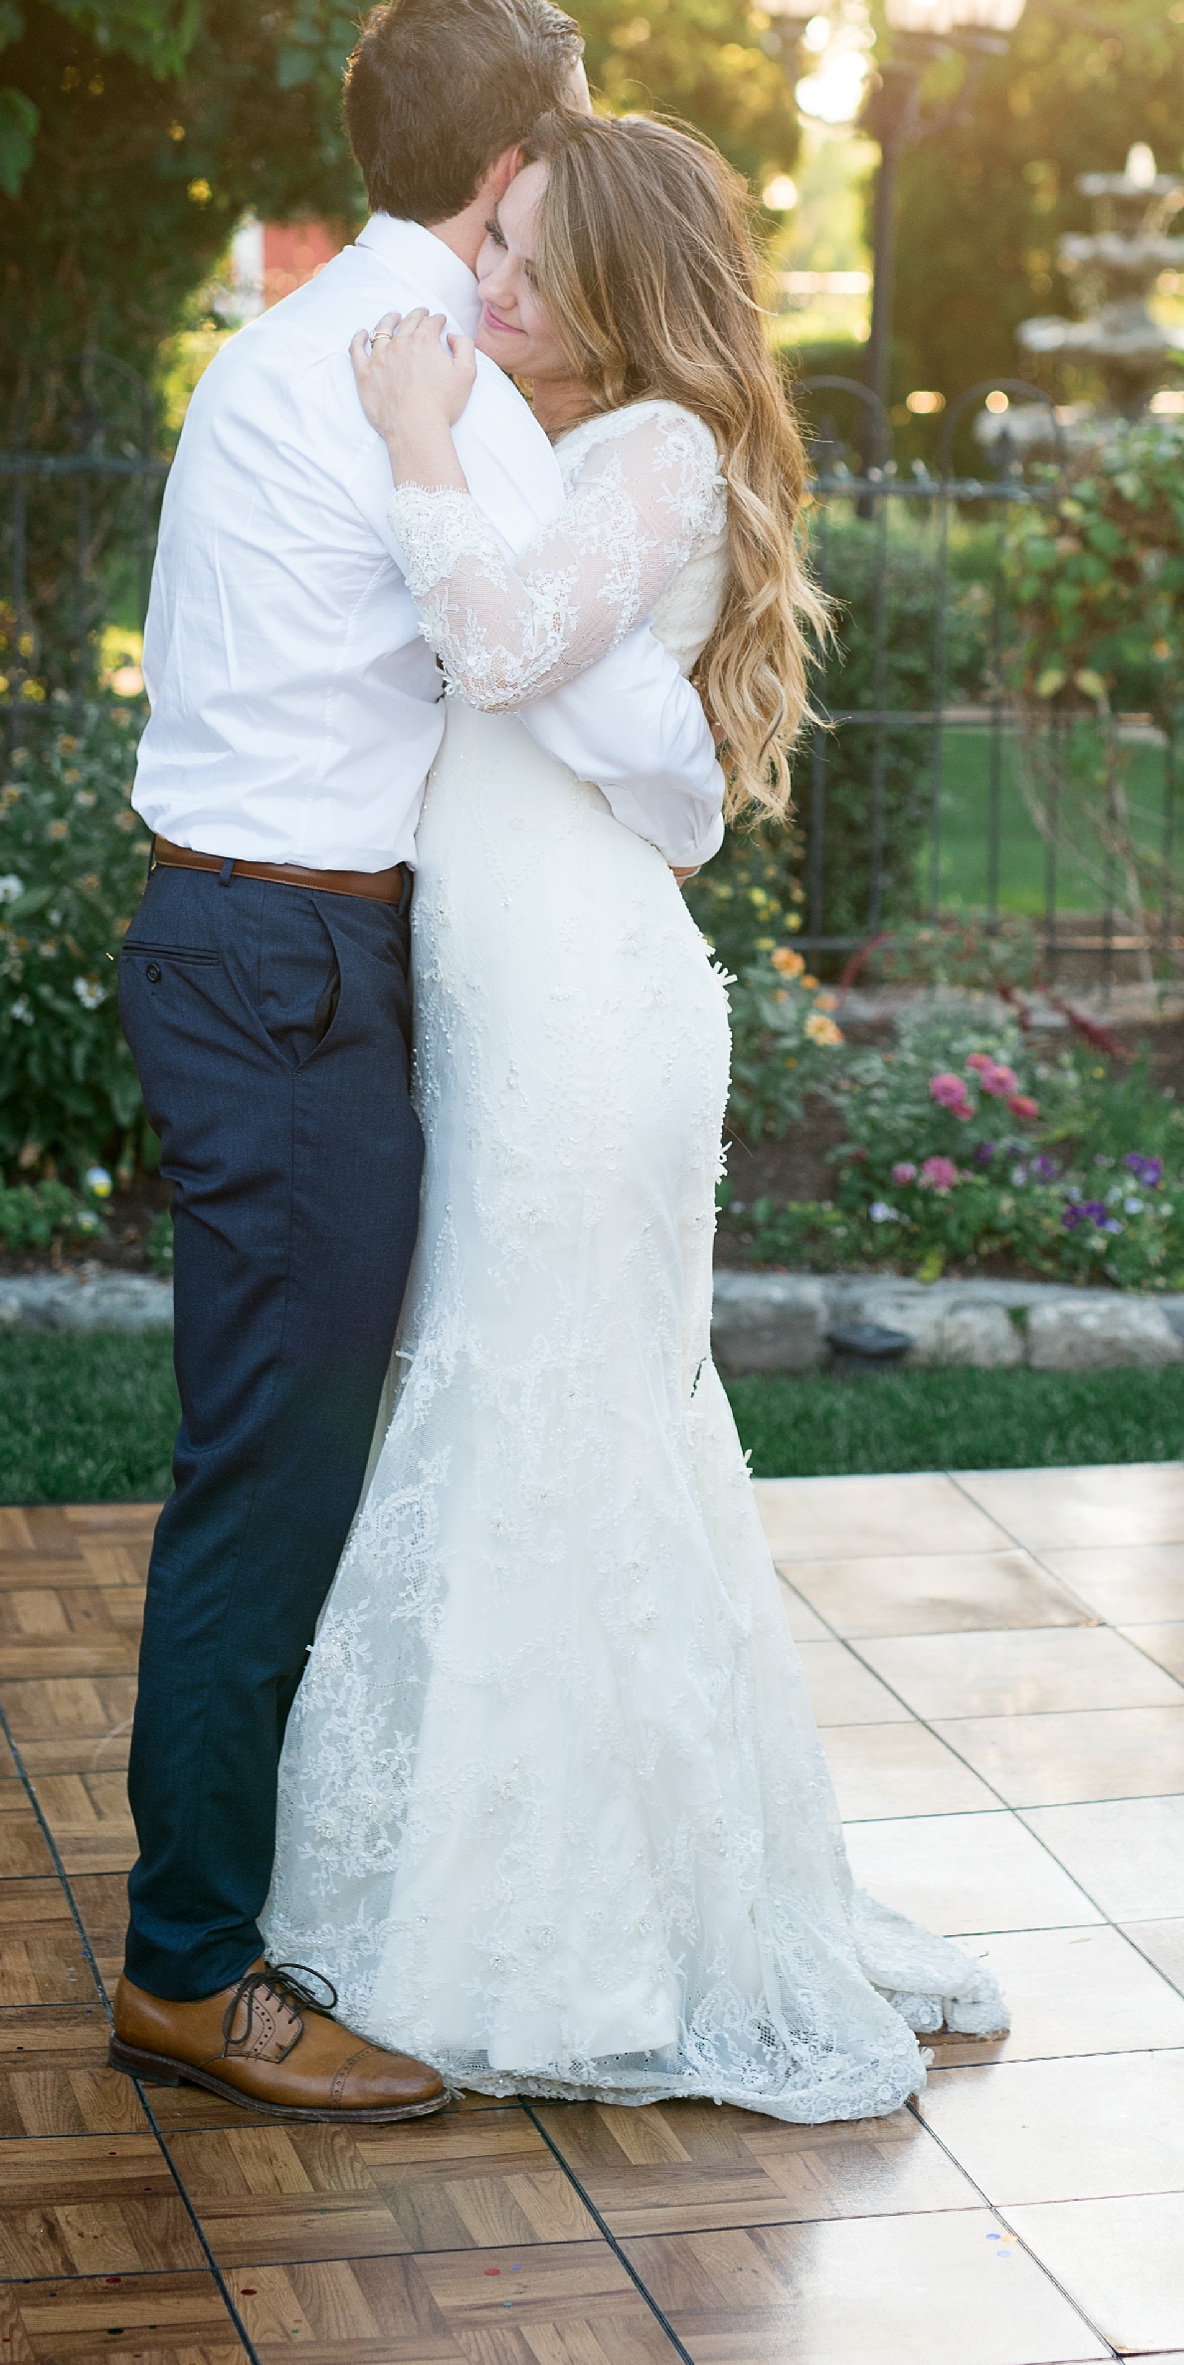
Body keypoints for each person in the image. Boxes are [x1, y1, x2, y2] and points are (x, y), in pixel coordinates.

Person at [261, 106, 1005, 2116]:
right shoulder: (588, 450)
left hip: (583, 1018)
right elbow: (579, 709)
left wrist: (415, 433)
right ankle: (535, 1892)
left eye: (518, 259)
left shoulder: (652, 448)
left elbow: (499, 644)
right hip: (531, 997)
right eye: (482, 252)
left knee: (547, 1409)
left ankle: (563, 1936)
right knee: (547, 1410)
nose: (479, 289)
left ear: (612, 286)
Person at [108, 0, 726, 2123]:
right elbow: (588, 700)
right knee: (269, 1489)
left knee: (270, 1461)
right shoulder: (431, 378)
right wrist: (696, 791)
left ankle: (239, 1922)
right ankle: (192, 1975)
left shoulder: (290, 340)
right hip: (291, 963)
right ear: (513, 161)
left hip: (229, 933)